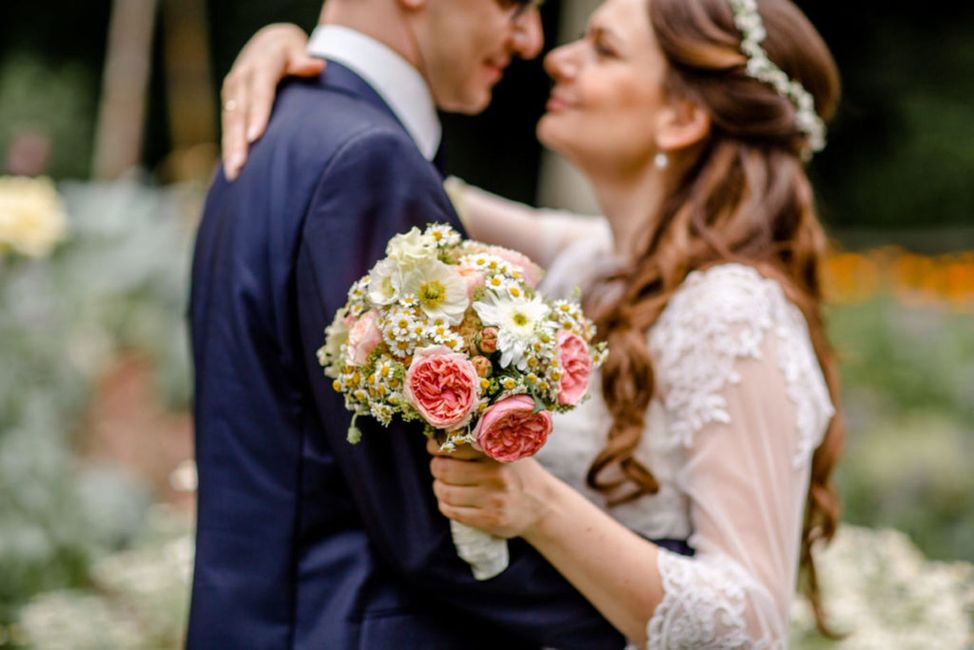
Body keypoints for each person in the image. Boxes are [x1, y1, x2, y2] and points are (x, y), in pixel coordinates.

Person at [222, 0, 846, 646]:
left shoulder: (734, 313)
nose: (555, 56)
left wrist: (538, 505)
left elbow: (752, 620)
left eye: (602, 48)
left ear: (683, 117)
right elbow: (392, 177)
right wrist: (309, 54)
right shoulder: (592, 257)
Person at [188, 0, 637, 647]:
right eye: (513, 4)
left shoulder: (276, 123)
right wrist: (658, 594)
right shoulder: (366, 160)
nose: (532, 40)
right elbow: (438, 525)